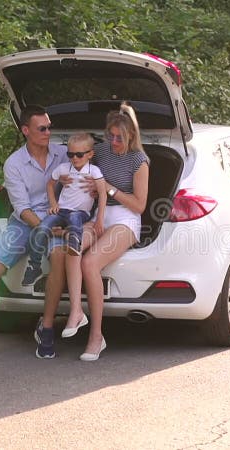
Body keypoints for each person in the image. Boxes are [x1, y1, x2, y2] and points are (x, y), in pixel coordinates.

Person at [37, 102, 149, 361]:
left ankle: (96, 337)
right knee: (72, 245)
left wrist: (107, 188)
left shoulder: (139, 160)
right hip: (97, 215)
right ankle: (76, 312)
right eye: (110, 135)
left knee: (90, 263)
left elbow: (139, 205)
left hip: (125, 219)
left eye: (119, 137)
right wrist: (64, 177)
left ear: (131, 134)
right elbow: (76, 158)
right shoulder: (100, 151)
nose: (114, 141)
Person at [0, 104, 68, 362]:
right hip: (24, 223)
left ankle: (47, 328)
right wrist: (44, 229)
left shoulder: (63, 155)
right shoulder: (14, 164)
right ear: (26, 130)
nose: (48, 132)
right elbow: (22, 208)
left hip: (55, 219)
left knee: (59, 256)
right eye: (42, 128)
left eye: (50, 127)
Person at [22, 133, 107, 343]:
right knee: (41, 229)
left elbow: (103, 194)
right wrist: (53, 204)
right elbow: (50, 185)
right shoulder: (64, 169)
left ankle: (74, 243)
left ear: (90, 154)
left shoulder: (94, 171)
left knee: (76, 222)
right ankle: (33, 265)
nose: (74, 158)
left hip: (80, 213)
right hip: (62, 210)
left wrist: (100, 220)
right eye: (70, 154)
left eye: (79, 154)